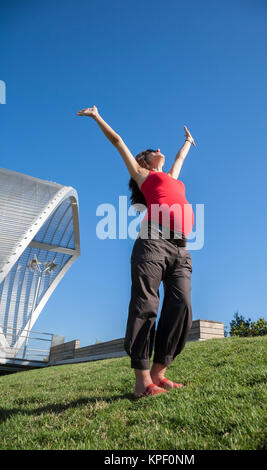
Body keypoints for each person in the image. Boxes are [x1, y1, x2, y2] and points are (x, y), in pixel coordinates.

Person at [77, 105, 196, 398]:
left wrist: (188, 143)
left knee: (181, 305)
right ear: (144, 160)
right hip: (152, 242)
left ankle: (159, 372)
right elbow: (118, 141)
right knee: (146, 305)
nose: (159, 149)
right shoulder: (144, 175)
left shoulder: (171, 177)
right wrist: (97, 116)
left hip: (180, 249)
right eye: (153, 149)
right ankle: (143, 382)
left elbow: (179, 159)